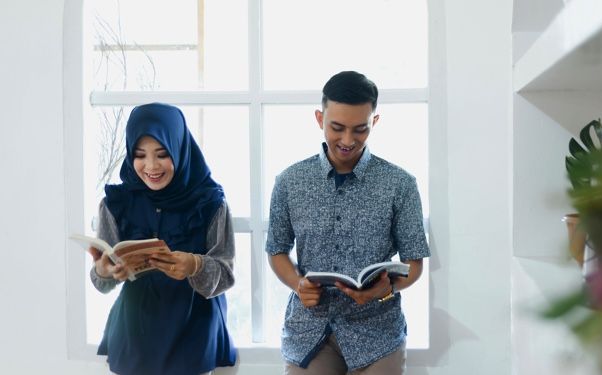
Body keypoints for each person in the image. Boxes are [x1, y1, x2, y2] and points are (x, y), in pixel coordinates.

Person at [266, 71, 430, 374]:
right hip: (310, 330)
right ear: (319, 118)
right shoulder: (290, 181)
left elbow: (414, 264)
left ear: (374, 123)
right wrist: (297, 284)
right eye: (337, 128)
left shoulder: (400, 184)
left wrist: (383, 290)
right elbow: (276, 250)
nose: (347, 140)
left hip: (377, 332)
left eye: (360, 130)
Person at [89, 103, 237, 375]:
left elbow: (226, 274)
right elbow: (101, 281)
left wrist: (193, 265)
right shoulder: (116, 203)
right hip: (134, 333)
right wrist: (104, 270)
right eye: (140, 155)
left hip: (193, 332)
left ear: (179, 148)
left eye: (162, 154)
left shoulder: (210, 202)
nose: (151, 166)